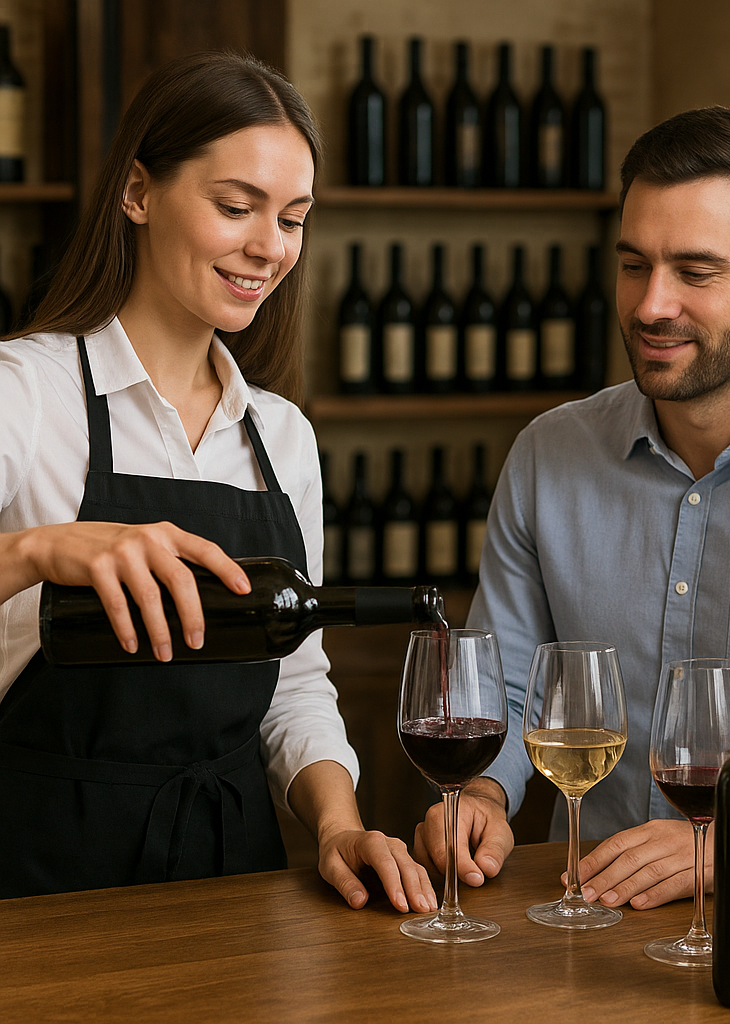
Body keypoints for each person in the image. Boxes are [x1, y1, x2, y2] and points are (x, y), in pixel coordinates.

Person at [413, 105, 730, 907]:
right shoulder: (549, 455)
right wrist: (483, 795)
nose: (652, 305)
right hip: (584, 911)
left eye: (695, 271)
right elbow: (508, 696)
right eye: (633, 265)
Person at [0, 50, 435, 914]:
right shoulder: (28, 392)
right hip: (40, 878)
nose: (270, 248)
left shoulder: (280, 435)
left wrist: (339, 824)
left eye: (294, 218)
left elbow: (295, 680)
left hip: (232, 877)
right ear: (138, 192)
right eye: (237, 207)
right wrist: (37, 550)